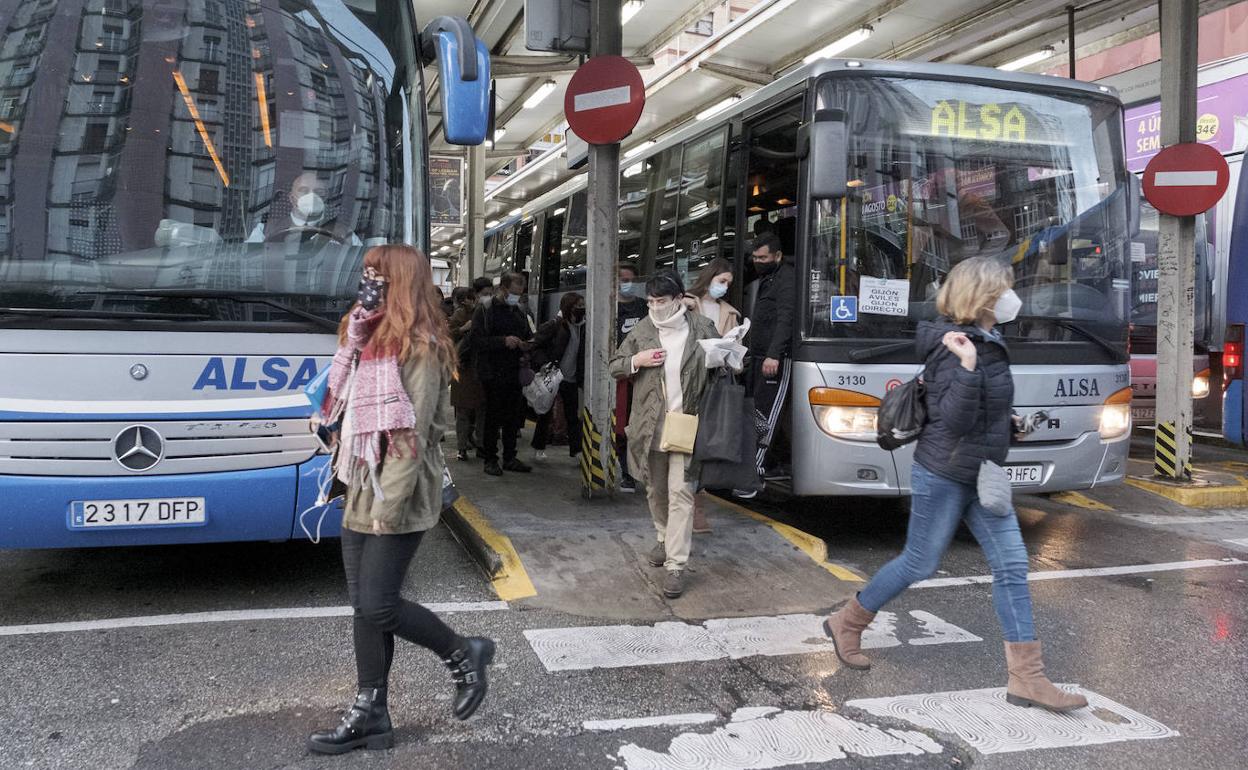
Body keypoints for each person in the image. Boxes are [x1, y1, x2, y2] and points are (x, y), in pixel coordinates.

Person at [822, 256, 1087, 713]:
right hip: (943, 471)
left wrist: (1008, 422)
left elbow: (980, 410)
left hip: (980, 471)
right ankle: (848, 620)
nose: (1012, 297)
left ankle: (1028, 678)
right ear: (983, 296)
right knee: (920, 563)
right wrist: (965, 367)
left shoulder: (988, 339)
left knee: (1012, 566)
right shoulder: (954, 347)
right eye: (1005, 288)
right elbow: (953, 417)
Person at [308, 245, 496, 755]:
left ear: (400, 283)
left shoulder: (422, 347)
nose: (367, 282)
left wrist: (387, 509)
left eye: (376, 275)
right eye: (365, 273)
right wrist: (334, 428)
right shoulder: (366, 341)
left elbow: (410, 439)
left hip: (398, 492)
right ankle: (372, 713)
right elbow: (353, 411)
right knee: (363, 608)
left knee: (379, 603)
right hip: (361, 482)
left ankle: (464, 652)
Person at [610, 271, 719, 599]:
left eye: (662, 301)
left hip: (687, 423)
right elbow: (614, 365)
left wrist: (727, 357)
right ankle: (662, 535)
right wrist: (636, 361)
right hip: (650, 424)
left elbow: (728, 362)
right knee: (655, 489)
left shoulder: (702, 328)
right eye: (651, 301)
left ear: (679, 299)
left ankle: (676, 565)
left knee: (681, 493)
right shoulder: (644, 329)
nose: (655, 307)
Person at [682, 257, 742, 534]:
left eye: (728, 283)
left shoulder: (730, 313)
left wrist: (732, 354)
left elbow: (737, 354)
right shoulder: (686, 303)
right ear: (709, 278)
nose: (725, 287)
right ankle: (688, 505)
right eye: (722, 281)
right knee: (686, 443)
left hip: (715, 383)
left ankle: (696, 505)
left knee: (705, 444)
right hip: (688, 381)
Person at [743, 232, 796, 491]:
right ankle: (760, 466)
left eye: (763, 257)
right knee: (756, 412)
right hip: (759, 357)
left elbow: (786, 317)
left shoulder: (786, 278)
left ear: (778, 256)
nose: (758, 261)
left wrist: (774, 354)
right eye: (755, 257)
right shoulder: (767, 277)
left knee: (765, 417)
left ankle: (755, 472)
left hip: (774, 360)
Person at [469, 271, 534, 476]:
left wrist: (526, 344)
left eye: (520, 293)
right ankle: (490, 458)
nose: (516, 296)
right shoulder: (485, 310)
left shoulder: (520, 311)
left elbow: (529, 335)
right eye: (513, 292)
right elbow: (476, 341)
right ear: (502, 289)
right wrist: (502, 341)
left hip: (515, 372)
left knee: (513, 418)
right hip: (492, 372)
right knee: (492, 417)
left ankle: (509, 457)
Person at [531, 292, 586, 460]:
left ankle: (576, 450)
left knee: (572, 415)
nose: (581, 309)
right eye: (578, 305)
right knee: (545, 413)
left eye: (582, 305)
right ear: (569, 307)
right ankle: (539, 447)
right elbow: (536, 345)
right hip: (554, 376)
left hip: (570, 377)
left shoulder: (582, 327)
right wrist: (545, 364)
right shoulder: (555, 325)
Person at [615, 262, 648, 492]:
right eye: (622, 279)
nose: (626, 284)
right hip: (621, 376)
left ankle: (641, 470)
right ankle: (626, 472)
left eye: (630, 280)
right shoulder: (609, 309)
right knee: (622, 425)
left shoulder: (643, 307)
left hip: (644, 374)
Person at [448, 282, 488, 461]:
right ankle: (463, 446)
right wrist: (463, 328)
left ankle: (477, 445)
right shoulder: (459, 315)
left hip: (476, 366)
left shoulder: (485, 313)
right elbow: (448, 335)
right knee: (466, 411)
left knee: (479, 410)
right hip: (464, 366)